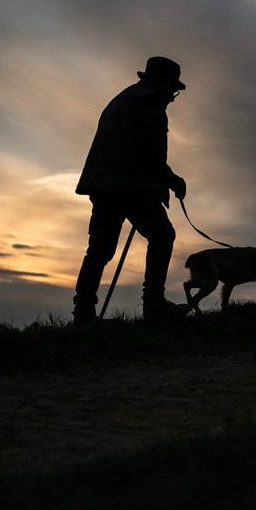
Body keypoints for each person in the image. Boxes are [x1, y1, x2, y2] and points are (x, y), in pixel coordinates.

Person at [73, 56, 190, 324]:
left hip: (104, 184)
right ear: (161, 83)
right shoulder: (149, 102)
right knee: (162, 235)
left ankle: (83, 314)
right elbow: (147, 151)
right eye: (173, 89)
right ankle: (154, 304)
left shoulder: (121, 99)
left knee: (99, 250)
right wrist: (172, 180)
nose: (173, 97)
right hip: (130, 185)